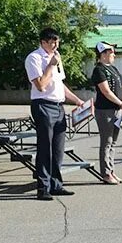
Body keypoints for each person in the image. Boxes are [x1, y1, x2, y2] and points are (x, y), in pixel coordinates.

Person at [24, 27, 85, 201]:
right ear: (43, 42)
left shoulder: (56, 59)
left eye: (57, 41)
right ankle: (43, 187)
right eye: (51, 42)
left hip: (59, 106)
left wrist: (77, 100)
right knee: (45, 148)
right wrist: (51, 65)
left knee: (58, 148)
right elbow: (41, 85)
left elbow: (60, 85)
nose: (55, 45)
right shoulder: (34, 58)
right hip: (43, 105)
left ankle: (56, 184)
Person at [91, 42, 122, 185]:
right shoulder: (98, 70)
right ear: (104, 54)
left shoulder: (113, 68)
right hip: (105, 110)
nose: (114, 55)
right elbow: (106, 91)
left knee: (114, 142)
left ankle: (111, 171)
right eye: (111, 52)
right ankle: (105, 173)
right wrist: (120, 103)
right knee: (106, 141)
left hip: (118, 110)